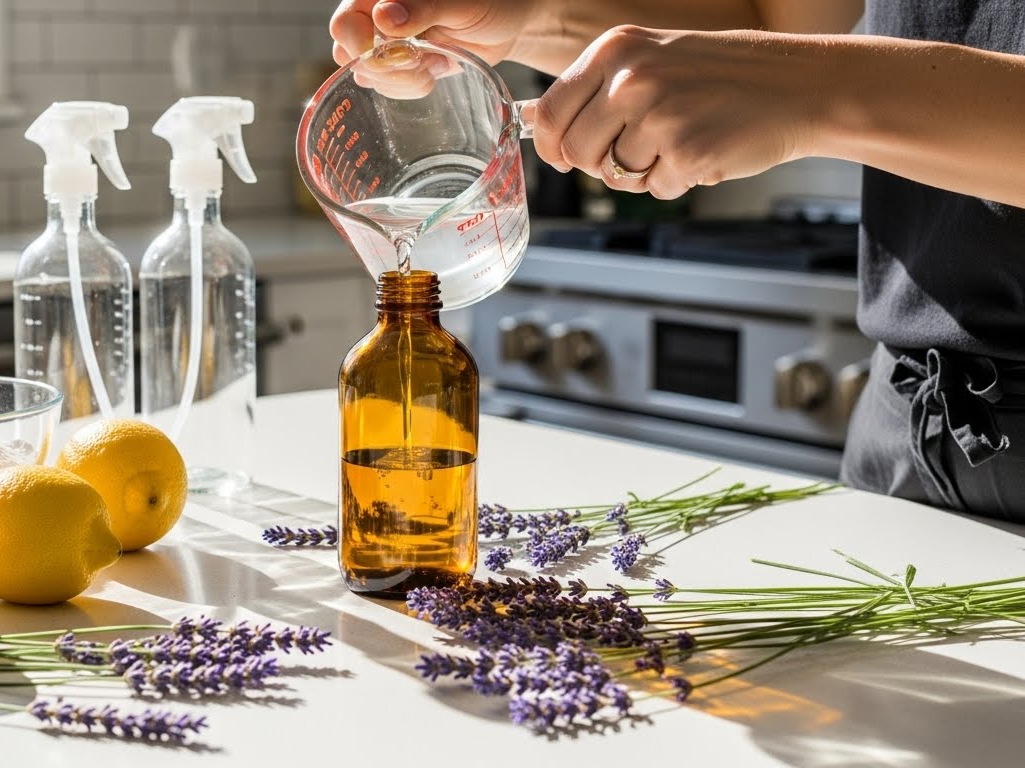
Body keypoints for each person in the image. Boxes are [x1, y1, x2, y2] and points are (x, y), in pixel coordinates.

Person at [328, 0, 1025, 524]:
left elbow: (788, 62)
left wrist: (811, 92)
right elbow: (770, 18)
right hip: (903, 431)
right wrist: (532, 17)